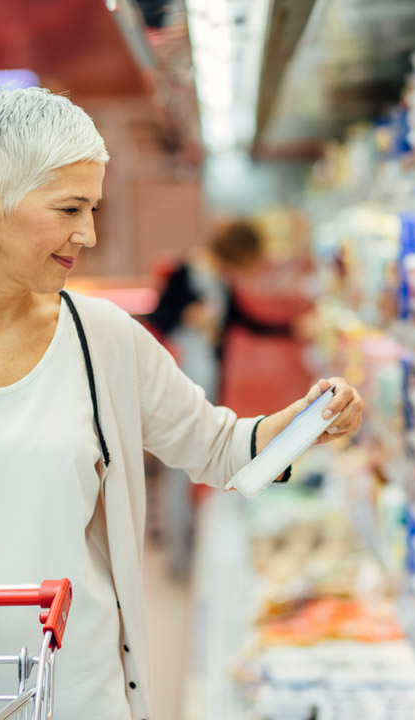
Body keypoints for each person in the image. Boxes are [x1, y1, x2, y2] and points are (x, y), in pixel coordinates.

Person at [0, 88, 362, 720]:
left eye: (92, 208)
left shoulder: (106, 337)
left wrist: (309, 422)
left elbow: (224, 451)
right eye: (69, 208)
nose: (88, 233)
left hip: (78, 693)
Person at [146, 220, 306, 577]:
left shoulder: (222, 281)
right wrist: (186, 317)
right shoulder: (185, 273)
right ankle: (178, 557)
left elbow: (245, 321)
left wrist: (293, 328)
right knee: (178, 469)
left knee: (201, 460)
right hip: (181, 380)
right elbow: (158, 315)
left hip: (207, 383)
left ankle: (190, 548)